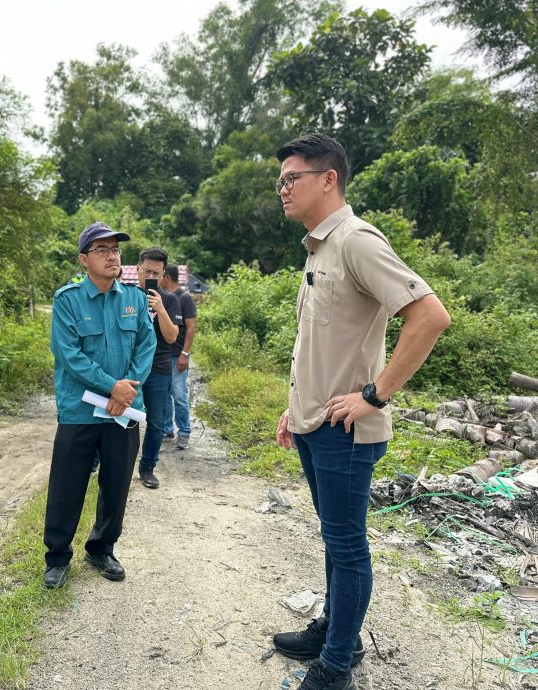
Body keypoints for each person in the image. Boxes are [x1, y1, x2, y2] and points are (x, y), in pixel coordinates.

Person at [272, 134, 450, 690]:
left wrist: (375, 395)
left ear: (329, 180)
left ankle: (338, 663)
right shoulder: (319, 247)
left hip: (347, 431)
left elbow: (429, 316)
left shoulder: (356, 241)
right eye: (279, 180)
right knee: (333, 539)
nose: (282, 189)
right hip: (314, 424)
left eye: (291, 177)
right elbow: (322, 345)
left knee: (347, 547)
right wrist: (292, 409)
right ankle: (331, 632)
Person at [42, 222, 155, 589]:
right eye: (102, 250)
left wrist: (128, 390)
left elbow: (145, 346)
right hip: (79, 410)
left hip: (124, 412)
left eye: (116, 250)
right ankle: (57, 557)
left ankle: (101, 548)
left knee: (117, 483)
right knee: (67, 485)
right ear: (83, 259)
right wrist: (112, 387)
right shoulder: (68, 300)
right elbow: (68, 355)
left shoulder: (134, 299)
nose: (112, 256)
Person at [135, 248, 181, 489]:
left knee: (156, 422)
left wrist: (160, 308)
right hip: (130, 368)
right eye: (147, 271)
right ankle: (110, 462)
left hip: (159, 368)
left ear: (164, 275)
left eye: (156, 273)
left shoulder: (170, 299)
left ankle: (147, 468)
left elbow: (172, 337)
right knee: (124, 418)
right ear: (138, 269)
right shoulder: (126, 295)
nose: (150, 275)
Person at [160, 264, 197, 450]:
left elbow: (191, 328)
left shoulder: (184, 298)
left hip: (177, 356)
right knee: (165, 395)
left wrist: (185, 354)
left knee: (179, 394)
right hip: (163, 356)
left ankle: (184, 431)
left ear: (166, 277)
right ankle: (167, 428)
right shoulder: (163, 298)